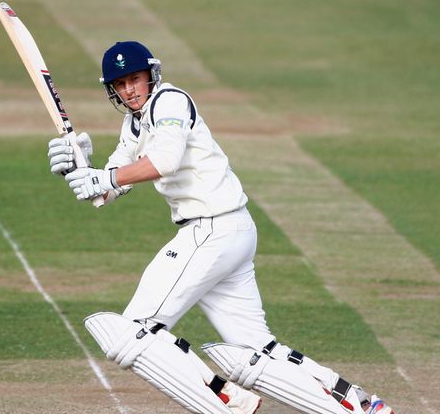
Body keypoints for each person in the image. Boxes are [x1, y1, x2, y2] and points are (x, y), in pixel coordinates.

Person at [47, 41, 394, 414]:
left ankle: (225, 401)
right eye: (121, 83)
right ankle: (360, 406)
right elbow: (110, 189)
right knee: (254, 351)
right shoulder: (134, 123)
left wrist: (105, 177)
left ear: (151, 75)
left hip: (213, 230)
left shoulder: (170, 102)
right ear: (111, 89)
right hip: (230, 233)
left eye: (135, 78)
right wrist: (81, 166)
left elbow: (163, 160)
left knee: (133, 331)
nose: (130, 89)